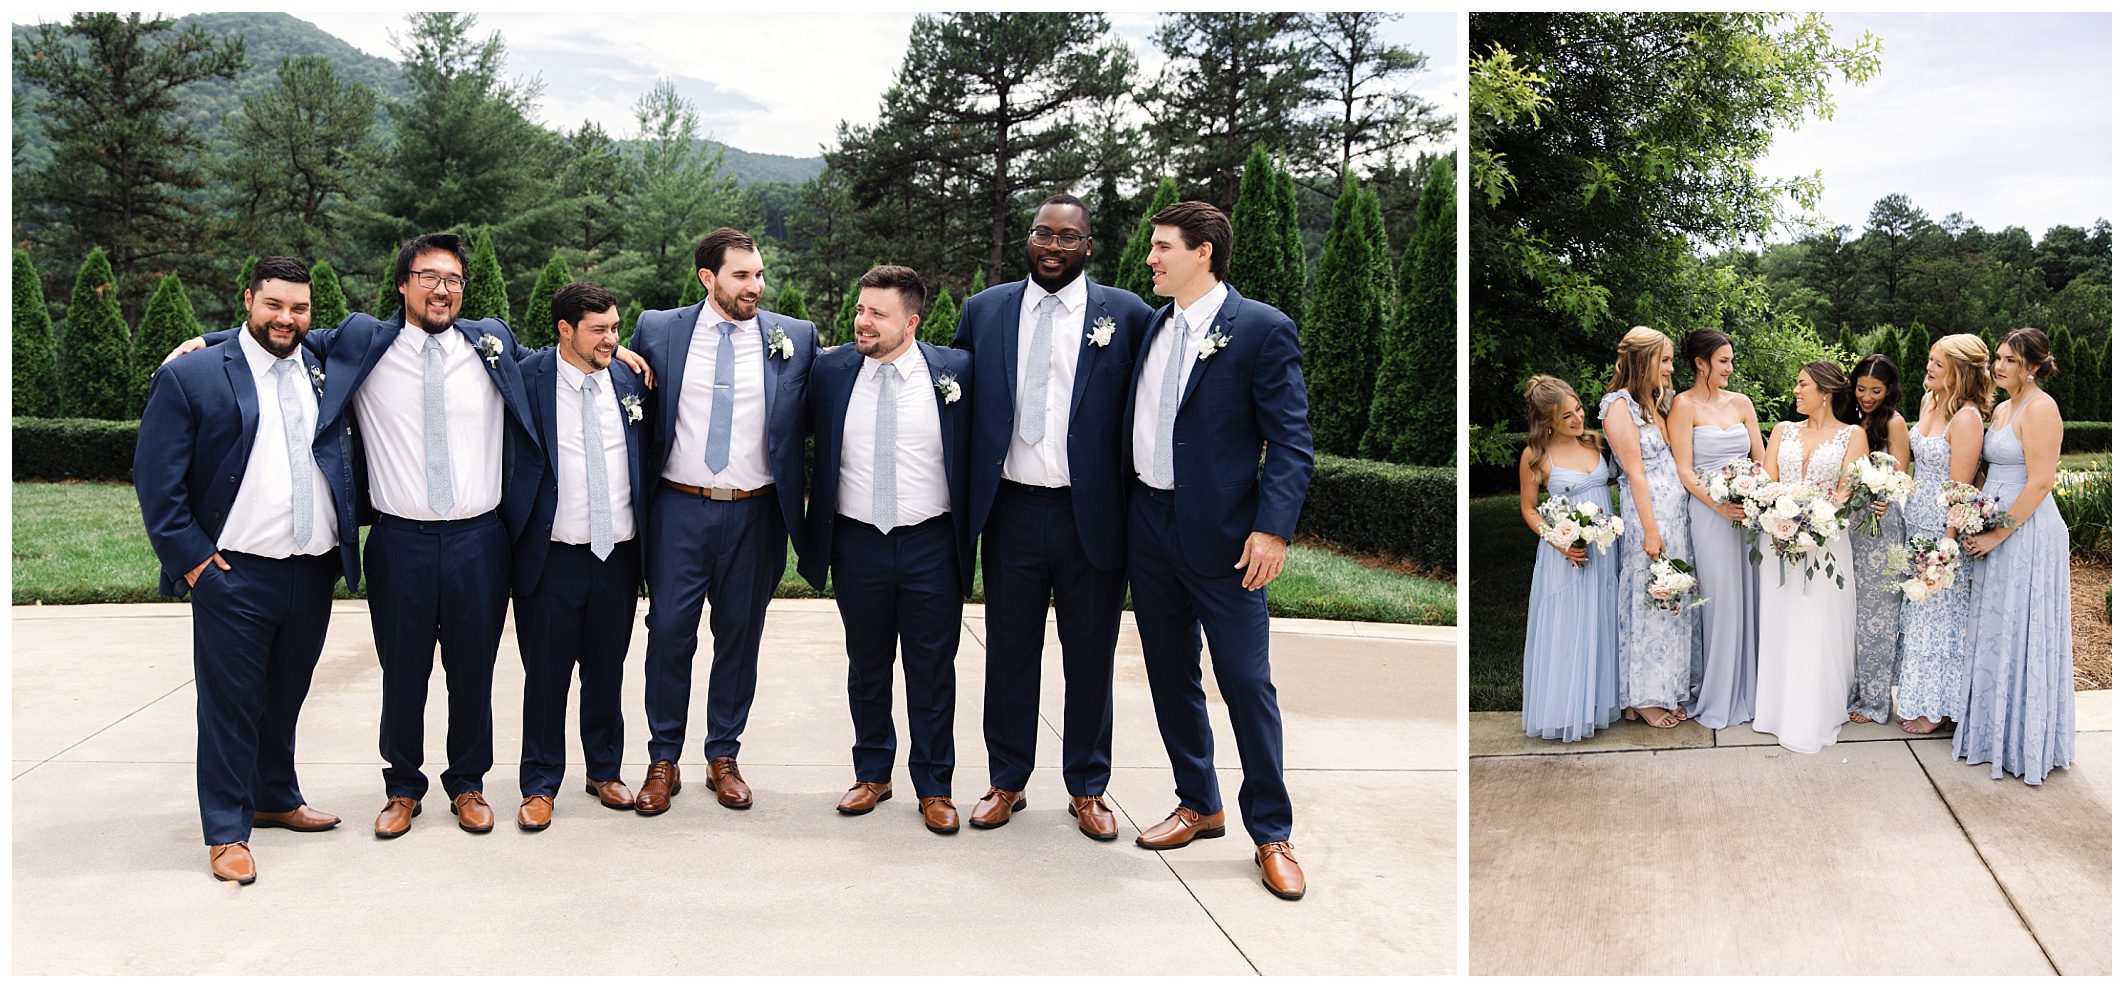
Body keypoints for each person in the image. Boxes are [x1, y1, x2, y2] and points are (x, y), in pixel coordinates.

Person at [178, 233, 541, 837]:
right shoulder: (362, 341)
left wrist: (623, 359)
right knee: (402, 672)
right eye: (428, 276)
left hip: (481, 539)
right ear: (402, 284)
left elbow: (551, 361)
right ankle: (402, 788)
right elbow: (280, 339)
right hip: (400, 541)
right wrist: (207, 342)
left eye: (452, 279)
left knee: (474, 672)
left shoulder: (491, 342)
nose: (442, 289)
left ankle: (469, 784)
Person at [135, 256, 361, 882]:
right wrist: (196, 567)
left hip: (311, 568)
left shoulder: (322, 367)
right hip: (232, 573)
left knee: (285, 697)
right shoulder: (194, 376)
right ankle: (227, 829)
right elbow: (158, 484)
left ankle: (275, 797)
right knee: (230, 705)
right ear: (248, 300)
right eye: (274, 305)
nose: (286, 318)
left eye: (299, 308)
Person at [1124, 201, 1313, 901]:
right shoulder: (1151, 326)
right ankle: (1198, 803)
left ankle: (1272, 832)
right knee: (1170, 674)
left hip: (1230, 539)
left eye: (1162, 246)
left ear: (1203, 251)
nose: (1151, 258)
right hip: (1146, 524)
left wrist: (1272, 528)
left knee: (1245, 682)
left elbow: (1291, 440)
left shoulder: (1261, 329)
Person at [953, 193, 1152, 838]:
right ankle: (1006, 779)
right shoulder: (985, 311)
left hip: (1089, 515)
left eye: (1068, 237)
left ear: (1088, 246)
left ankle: (1089, 788)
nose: (1053, 246)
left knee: (1090, 656)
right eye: (1043, 233)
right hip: (1009, 509)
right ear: (1029, 240)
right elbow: (953, 400)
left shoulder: (1126, 315)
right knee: (1010, 654)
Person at [627, 229, 821, 814]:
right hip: (679, 508)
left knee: (740, 635)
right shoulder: (658, 331)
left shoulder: (797, 337)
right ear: (707, 278)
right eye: (742, 276)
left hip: (758, 513)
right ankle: (664, 759)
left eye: (759, 274)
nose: (755, 286)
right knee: (669, 635)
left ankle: (723, 756)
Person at [797, 265, 975, 834]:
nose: (862, 321)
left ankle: (934, 785)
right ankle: (872, 772)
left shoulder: (957, 373)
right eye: (859, 309)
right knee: (866, 665)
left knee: (931, 668)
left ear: (912, 321)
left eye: (877, 313)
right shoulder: (829, 371)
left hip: (931, 542)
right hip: (856, 542)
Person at [502, 283, 651, 830]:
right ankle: (539, 784)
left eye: (616, 327)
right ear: (565, 331)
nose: (612, 338)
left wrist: (621, 354)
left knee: (607, 672)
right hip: (551, 556)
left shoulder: (632, 378)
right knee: (545, 675)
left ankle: (604, 770)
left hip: (618, 555)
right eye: (600, 329)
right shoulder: (526, 376)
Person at [1955, 328, 2074, 784]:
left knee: (2021, 626)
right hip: (1992, 526)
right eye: (1998, 358)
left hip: (2026, 532)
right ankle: (1991, 733)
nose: (1998, 366)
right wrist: (1970, 515)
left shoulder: (2042, 409)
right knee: (1994, 628)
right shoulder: (2003, 408)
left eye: (2009, 360)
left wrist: (1997, 534)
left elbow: (2041, 481)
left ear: (2035, 367)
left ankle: (2023, 740)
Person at [1752, 362, 1867, 754]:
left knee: (1816, 624)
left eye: (1802, 384)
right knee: (1783, 620)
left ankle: (1812, 711)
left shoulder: (1853, 435)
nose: (1796, 391)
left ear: (1825, 392)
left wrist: (1810, 521)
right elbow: (1766, 483)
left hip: (1824, 543)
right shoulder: (1782, 431)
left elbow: (1845, 493)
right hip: (1778, 541)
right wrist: (1780, 515)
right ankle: (1776, 709)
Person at [1598, 327, 1696, 729]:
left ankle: (1667, 687)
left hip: (1676, 517)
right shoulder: (1617, 407)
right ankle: (1643, 698)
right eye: (1666, 360)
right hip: (1649, 519)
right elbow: (1635, 473)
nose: (1671, 368)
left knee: (1671, 601)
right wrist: (1652, 531)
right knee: (1649, 600)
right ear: (1644, 362)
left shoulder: (1656, 404)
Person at [1517, 375, 1622, 742]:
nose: (1578, 419)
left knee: (1601, 618)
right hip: (1566, 555)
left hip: (1604, 551)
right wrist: (1558, 541)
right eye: (1567, 417)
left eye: (1578, 409)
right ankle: (1564, 709)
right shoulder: (1536, 456)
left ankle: (1597, 704)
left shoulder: (1595, 443)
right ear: (1547, 422)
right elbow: (1529, 510)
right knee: (1568, 625)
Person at [1668, 328, 1764, 730]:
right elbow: (1684, 469)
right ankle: (1720, 692)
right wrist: (1718, 505)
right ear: (1700, 363)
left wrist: (1758, 494)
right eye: (1722, 361)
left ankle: (1756, 691)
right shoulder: (1683, 405)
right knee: (1721, 600)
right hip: (1710, 513)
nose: (1729, 367)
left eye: (1730, 360)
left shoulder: (1742, 403)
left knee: (1753, 597)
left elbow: (1761, 458)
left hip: (1749, 514)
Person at [1895, 335, 1988, 733]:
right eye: (1930, 360)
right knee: (1917, 613)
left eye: (1938, 363)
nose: (1929, 368)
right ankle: (1917, 695)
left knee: (1940, 617)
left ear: (1960, 372)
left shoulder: (1966, 418)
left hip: (1941, 527)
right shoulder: (1928, 402)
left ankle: (1938, 706)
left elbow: (1961, 489)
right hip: (1914, 518)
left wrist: (1949, 544)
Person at [1844, 353, 1910, 725]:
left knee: (1879, 615)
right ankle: (1849, 689)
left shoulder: (1894, 423)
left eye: (1876, 390)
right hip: (1850, 525)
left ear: (1889, 391)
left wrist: (1884, 498)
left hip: (1883, 527)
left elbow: (1901, 479)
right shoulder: (1850, 419)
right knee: (1852, 614)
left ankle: (1873, 699)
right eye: (1861, 389)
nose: (1867, 397)